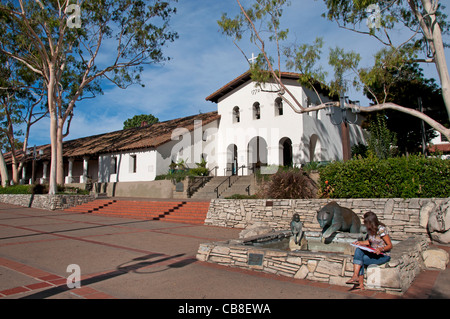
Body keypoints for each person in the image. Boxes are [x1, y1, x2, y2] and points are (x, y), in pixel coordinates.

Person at [346, 211, 393, 290]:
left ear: (370, 222)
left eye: (365, 222)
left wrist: (381, 249)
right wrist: (359, 243)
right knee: (358, 250)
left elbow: (390, 245)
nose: (364, 224)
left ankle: (359, 283)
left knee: (360, 260)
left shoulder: (381, 229)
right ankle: (355, 276)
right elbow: (369, 241)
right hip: (373, 253)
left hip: (383, 255)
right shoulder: (369, 229)